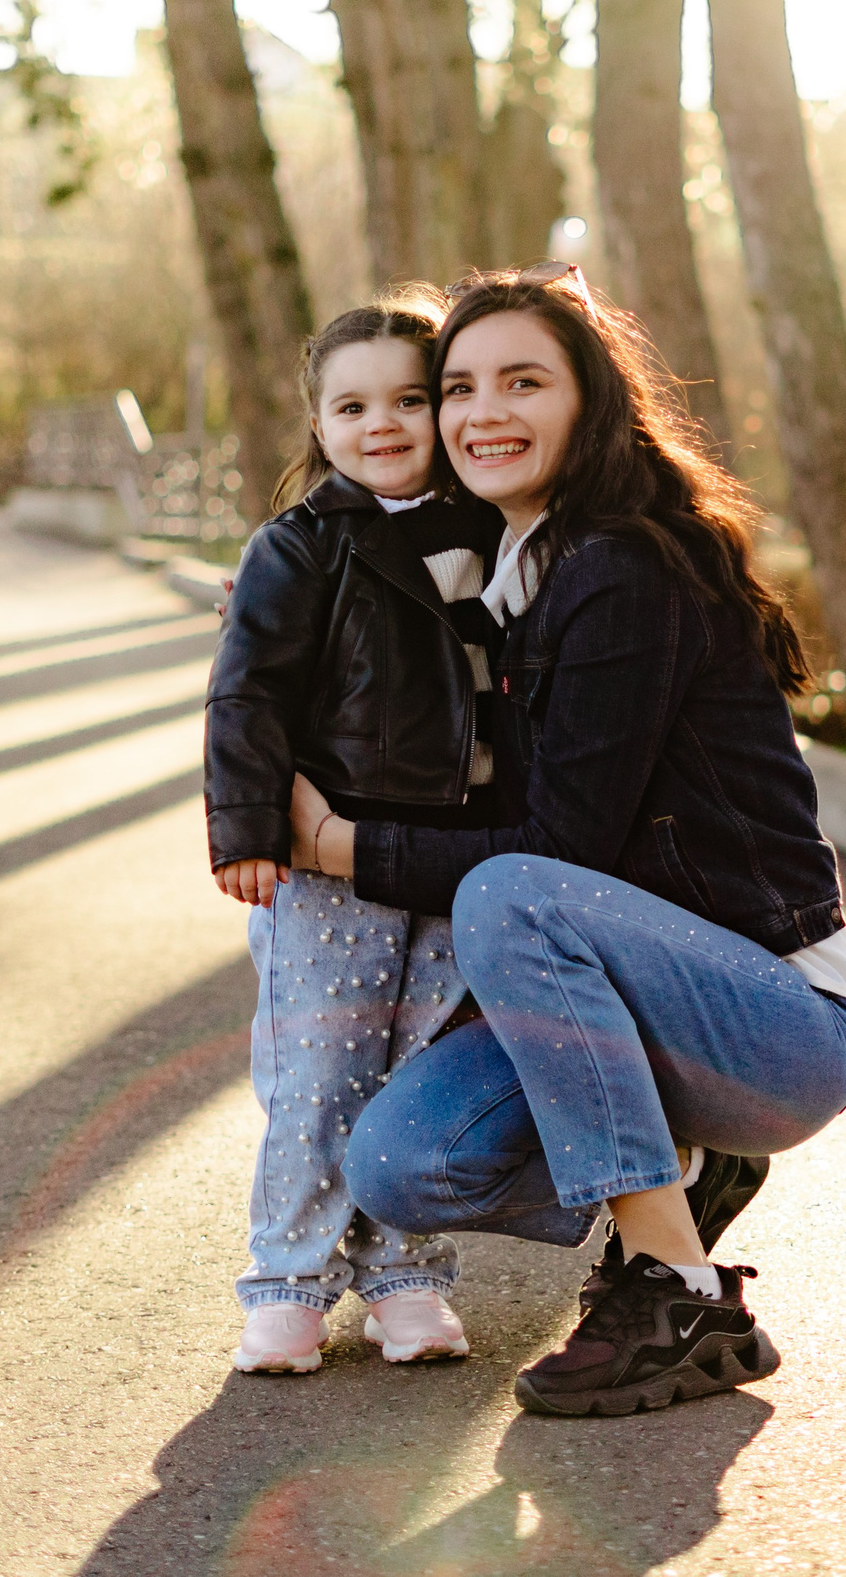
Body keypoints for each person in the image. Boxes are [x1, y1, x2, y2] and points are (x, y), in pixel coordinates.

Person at [289, 264, 846, 1417]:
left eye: (523, 381)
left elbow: (560, 848)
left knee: (515, 892)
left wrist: (338, 847)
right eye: (457, 388)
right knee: (400, 1163)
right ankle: (692, 1167)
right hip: (639, 1006)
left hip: (781, 1025)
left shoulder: (621, 569)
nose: (481, 413)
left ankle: (677, 1291)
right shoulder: (513, 577)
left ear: (590, 402)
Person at [203, 286, 509, 1375]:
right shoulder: (301, 546)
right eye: (350, 408)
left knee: (414, 1070)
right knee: (321, 1069)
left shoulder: (496, 531)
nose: (380, 425)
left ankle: (404, 1282)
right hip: (329, 860)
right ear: (320, 425)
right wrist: (247, 826)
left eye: (409, 400)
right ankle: (288, 1283)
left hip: (456, 855)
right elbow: (246, 695)